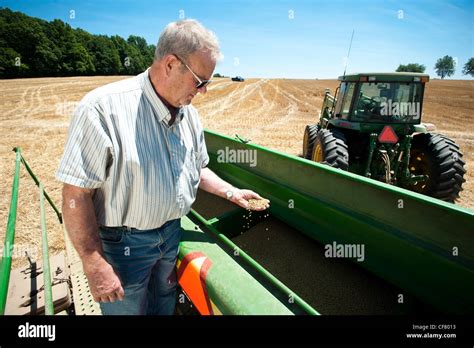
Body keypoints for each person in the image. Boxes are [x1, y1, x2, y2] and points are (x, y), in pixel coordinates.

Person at [56, 19, 269, 315]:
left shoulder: (189, 116)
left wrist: (232, 193)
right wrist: (93, 261)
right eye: (200, 80)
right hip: (124, 246)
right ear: (171, 64)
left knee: (163, 307)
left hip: (170, 234)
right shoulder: (102, 109)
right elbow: (76, 193)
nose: (204, 91)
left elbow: (196, 168)